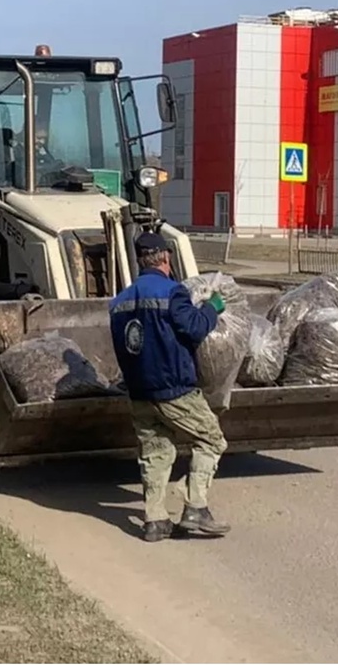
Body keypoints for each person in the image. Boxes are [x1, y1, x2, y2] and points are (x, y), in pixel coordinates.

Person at [108, 232, 231, 542]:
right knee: (212, 440)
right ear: (165, 258)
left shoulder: (119, 302)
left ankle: (155, 519)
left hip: (138, 392)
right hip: (174, 389)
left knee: (155, 450)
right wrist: (212, 308)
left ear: (140, 261)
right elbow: (194, 328)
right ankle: (195, 508)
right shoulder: (172, 292)